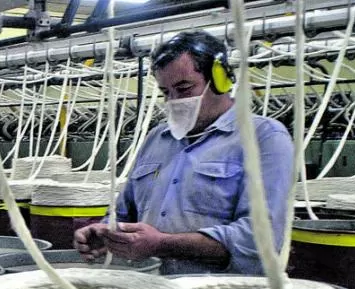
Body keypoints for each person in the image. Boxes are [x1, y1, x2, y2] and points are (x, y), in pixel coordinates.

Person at [73, 31, 294, 275]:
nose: (174, 100)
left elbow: (260, 240)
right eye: (166, 92)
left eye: (184, 88)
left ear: (220, 80)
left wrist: (162, 244)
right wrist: (105, 232)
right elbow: (125, 212)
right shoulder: (157, 138)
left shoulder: (264, 138)